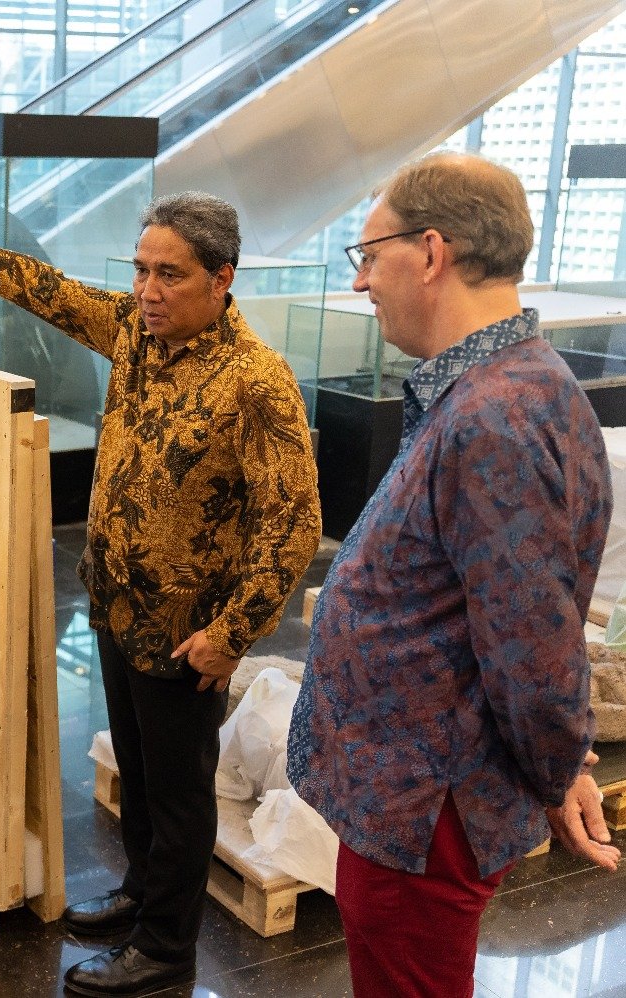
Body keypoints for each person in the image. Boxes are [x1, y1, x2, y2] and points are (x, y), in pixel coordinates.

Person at [0, 193, 321, 997]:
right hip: (116, 607)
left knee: (179, 797)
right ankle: (143, 896)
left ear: (221, 279)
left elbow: (292, 521)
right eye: (141, 270)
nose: (147, 289)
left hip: (188, 635)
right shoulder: (133, 334)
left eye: (168, 275)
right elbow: (37, 285)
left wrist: (232, 633)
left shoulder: (255, 382)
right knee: (139, 778)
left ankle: (165, 952)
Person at [287, 153, 621, 998]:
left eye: (367, 256)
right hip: (411, 793)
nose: (361, 282)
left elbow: (532, 645)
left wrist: (558, 767)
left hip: (425, 807)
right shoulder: (496, 389)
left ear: (430, 252)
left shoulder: (494, 415)